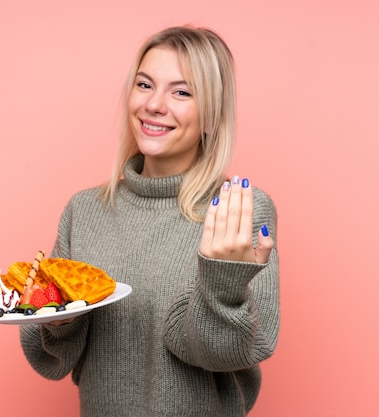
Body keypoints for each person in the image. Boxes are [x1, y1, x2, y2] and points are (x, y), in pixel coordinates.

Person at [20, 25, 279, 416]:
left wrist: (222, 284)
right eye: (144, 85)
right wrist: (57, 315)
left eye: (182, 92)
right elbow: (54, 359)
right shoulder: (86, 211)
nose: (154, 105)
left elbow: (231, 352)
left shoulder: (238, 210)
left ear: (211, 115)